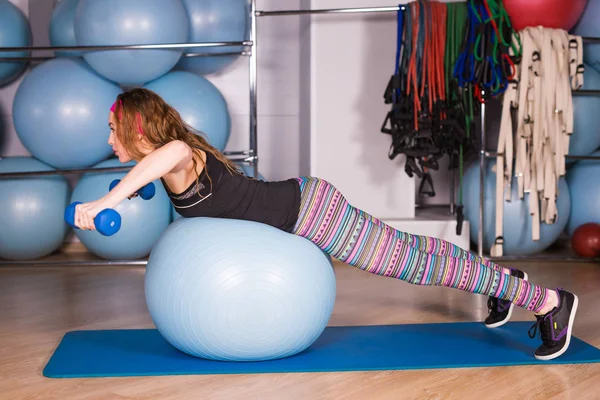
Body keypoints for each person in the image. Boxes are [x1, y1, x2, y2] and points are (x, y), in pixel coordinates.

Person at [73, 88, 578, 361]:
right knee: (414, 251)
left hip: (311, 211)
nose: (109, 140)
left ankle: (550, 303)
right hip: (302, 203)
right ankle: (506, 283)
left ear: (138, 129)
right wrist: (127, 191)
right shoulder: (166, 168)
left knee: (414, 265)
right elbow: (150, 171)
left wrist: (103, 201)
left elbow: (170, 154)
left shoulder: (180, 154)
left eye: (113, 131)